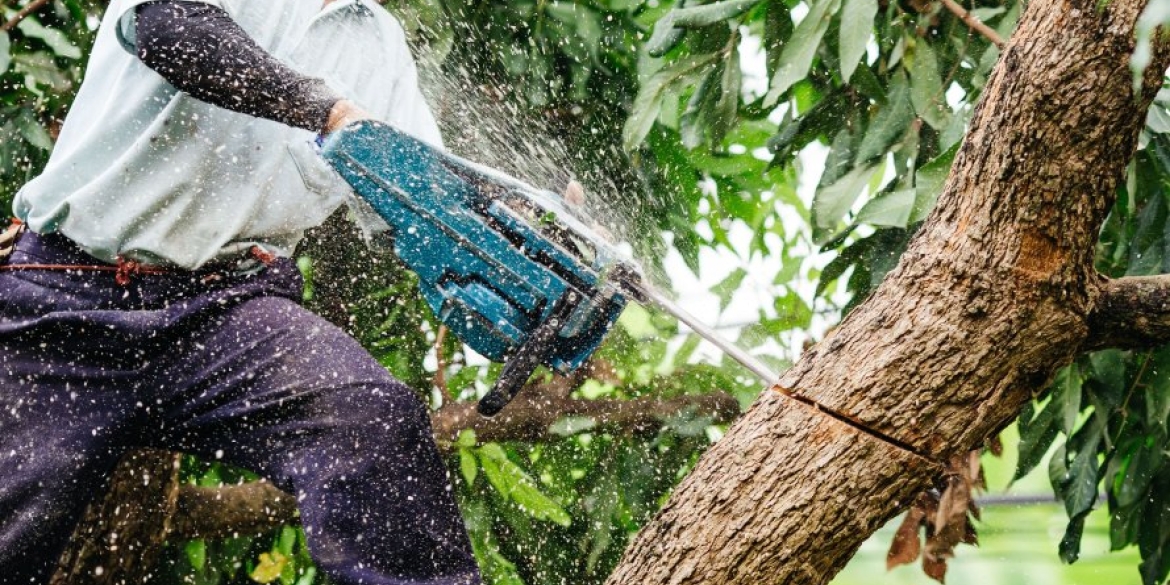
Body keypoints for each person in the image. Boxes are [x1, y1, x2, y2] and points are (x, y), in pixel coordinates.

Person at [0, 0, 482, 583]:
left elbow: (430, 197)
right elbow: (172, 29)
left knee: (369, 417)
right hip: (64, 297)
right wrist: (328, 111)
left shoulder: (377, 43)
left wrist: (540, 230)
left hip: (228, 313)